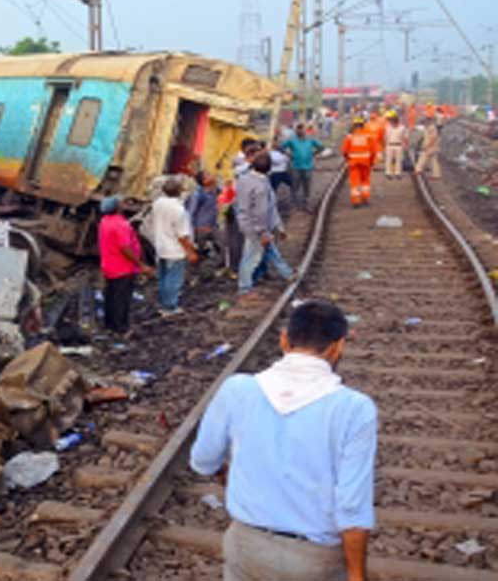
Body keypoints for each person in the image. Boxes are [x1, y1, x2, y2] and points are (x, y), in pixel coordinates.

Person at [190, 300, 375, 581]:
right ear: (339, 347)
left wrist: (224, 474)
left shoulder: (237, 389)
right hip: (316, 560)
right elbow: (351, 506)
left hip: (248, 547)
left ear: (284, 340)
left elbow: (203, 460)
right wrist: (357, 575)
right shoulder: (355, 409)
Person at [235, 152, 293, 295]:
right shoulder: (261, 186)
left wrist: (279, 227)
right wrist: (264, 233)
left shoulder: (244, 179)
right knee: (250, 257)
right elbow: (261, 212)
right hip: (256, 227)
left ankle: (288, 273)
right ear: (269, 168)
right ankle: (244, 287)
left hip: (245, 222)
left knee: (270, 251)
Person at [98, 196, 152, 334]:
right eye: (121, 203)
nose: (123, 204)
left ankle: (109, 324)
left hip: (109, 265)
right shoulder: (120, 225)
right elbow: (125, 248)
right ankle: (120, 328)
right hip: (123, 267)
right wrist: (141, 265)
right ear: (117, 207)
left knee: (111, 295)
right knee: (122, 298)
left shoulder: (105, 221)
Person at [151, 178, 199, 316]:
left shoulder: (158, 203)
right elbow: (182, 236)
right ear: (179, 191)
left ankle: (163, 303)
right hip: (174, 250)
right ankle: (170, 307)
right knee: (173, 279)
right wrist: (191, 252)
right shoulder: (179, 210)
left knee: (163, 277)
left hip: (160, 247)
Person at [282, 123, 324, 210]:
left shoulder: (310, 139)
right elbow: (281, 147)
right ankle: (294, 204)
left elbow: (321, 147)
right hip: (295, 167)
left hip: (308, 167)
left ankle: (306, 204)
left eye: (302, 129)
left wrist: (314, 154)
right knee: (295, 186)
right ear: (296, 130)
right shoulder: (292, 139)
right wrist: (289, 154)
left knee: (307, 186)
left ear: (305, 131)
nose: (300, 131)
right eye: (298, 129)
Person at [341, 117, 376, 207]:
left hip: (353, 163)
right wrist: (371, 162)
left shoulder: (350, 137)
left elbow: (344, 151)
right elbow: (373, 151)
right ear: (362, 125)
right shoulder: (368, 136)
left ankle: (356, 201)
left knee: (355, 182)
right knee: (365, 181)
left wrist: (348, 159)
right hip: (365, 162)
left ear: (354, 126)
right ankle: (365, 198)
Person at [186, 172, 220, 256]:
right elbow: (191, 214)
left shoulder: (214, 191)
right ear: (204, 182)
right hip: (201, 229)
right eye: (208, 175)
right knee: (199, 253)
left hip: (212, 226)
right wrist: (192, 231)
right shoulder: (198, 195)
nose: (212, 175)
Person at [383, 111, 407, 178]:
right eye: (392, 121)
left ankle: (398, 173)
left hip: (398, 145)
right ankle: (388, 172)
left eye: (394, 121)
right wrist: (384, 145)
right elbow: (385, 137)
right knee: (389, 160)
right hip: (390, 145)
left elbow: (404, 137)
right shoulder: (388, 127)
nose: (393, 123)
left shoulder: (402, 128)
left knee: (398, 160)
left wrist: (405, 144)